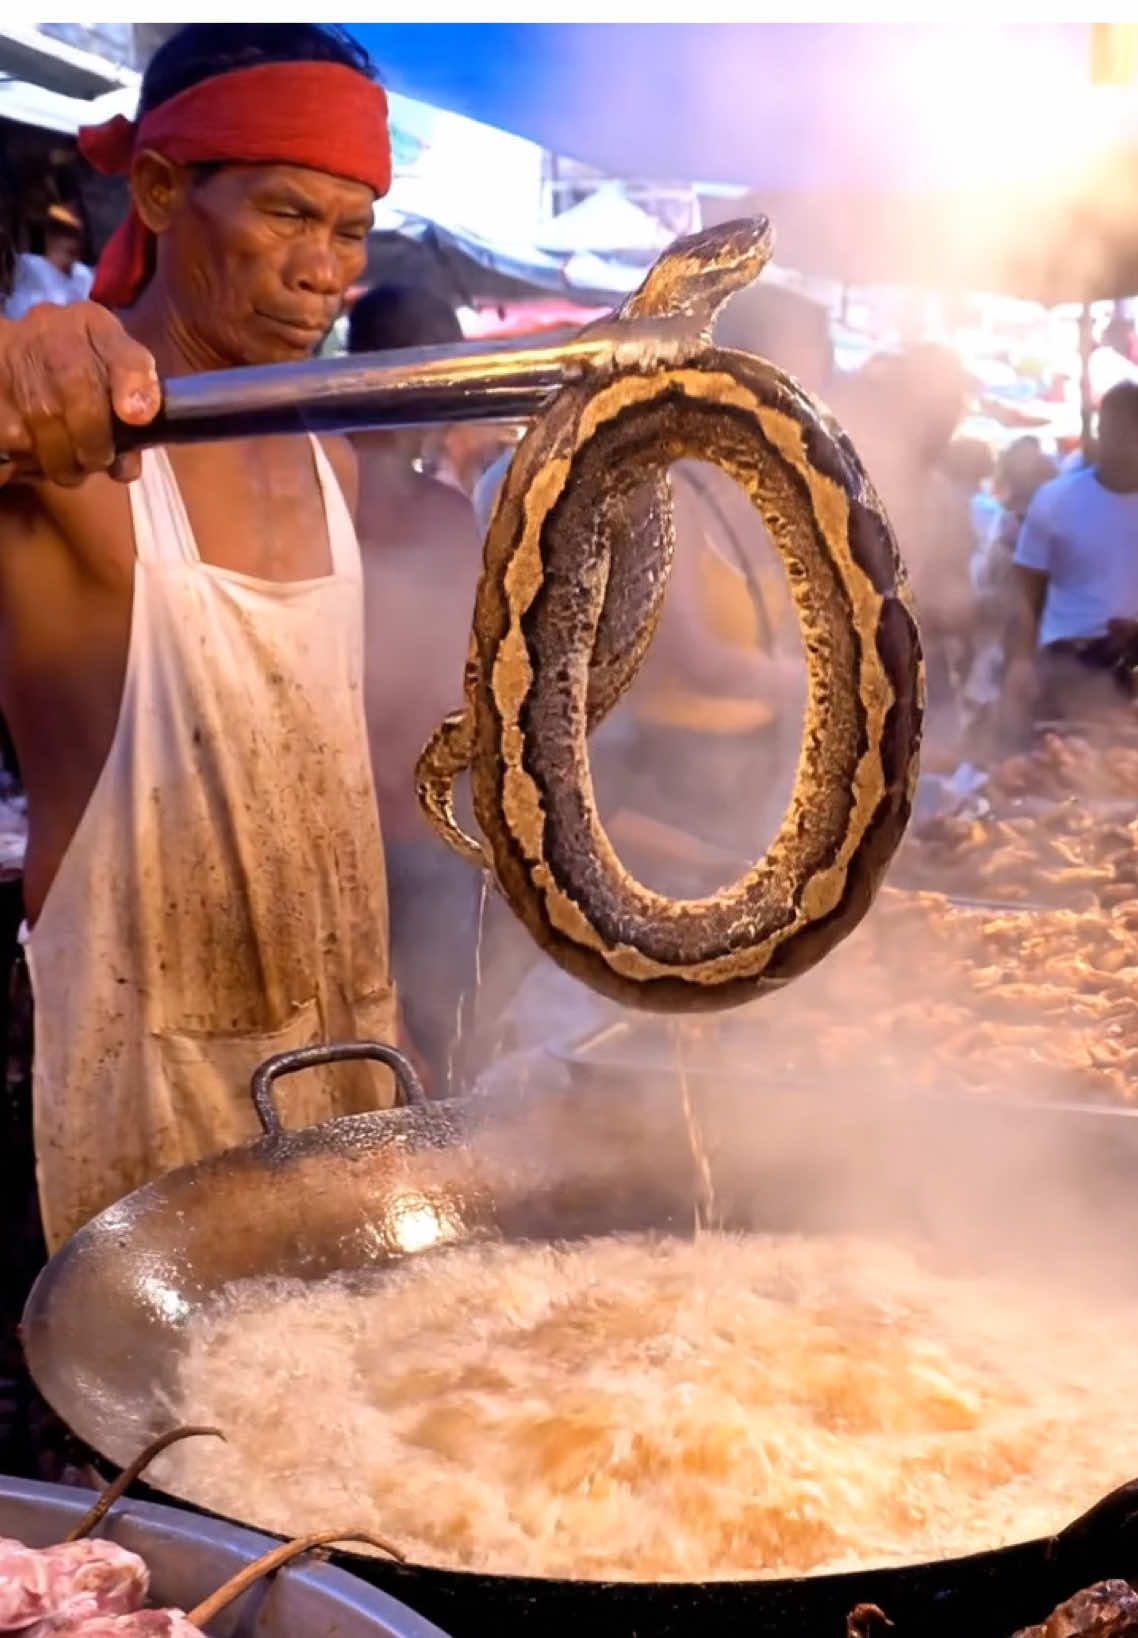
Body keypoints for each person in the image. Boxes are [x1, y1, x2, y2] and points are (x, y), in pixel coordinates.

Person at [0, 23, 402, 1263]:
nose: (320, 272)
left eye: (348, 231)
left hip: (342, 1063)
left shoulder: (331, 461)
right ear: (165, 192)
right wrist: (26, 345)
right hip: (142, 1080)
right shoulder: (62, 459)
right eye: (286, 213)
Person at [348, 284, 485, 1096]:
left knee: (402, 1055)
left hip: (414, 840)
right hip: (399, 840)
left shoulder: (435, 512)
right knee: (416, 1066)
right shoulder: (423, 512)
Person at [1005, 381, 1138, 727]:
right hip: (1067, 664)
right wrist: (1021, 662)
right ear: (1100, 430)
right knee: (1062, 762)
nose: (1121, 442)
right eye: (1113, 429)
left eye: (1131, 431)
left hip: (1134, 665)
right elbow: (1026, 593)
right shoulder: (1055, 499)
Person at [4, 207, 94, 320]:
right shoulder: (28, 265)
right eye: (63, 234)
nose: (71, 242)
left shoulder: (84, 275)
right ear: (49, 237)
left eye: (75, 235)